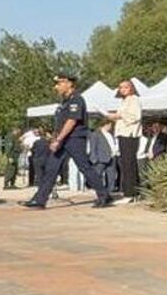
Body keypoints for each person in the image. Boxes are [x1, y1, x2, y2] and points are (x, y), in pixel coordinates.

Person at [25, 70, 112, 209]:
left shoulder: (76, 100)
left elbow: (72, 121)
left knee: (84, 167)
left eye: (59, 84)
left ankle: (104, 195)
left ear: (69, 83)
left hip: (74, 139)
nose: (56, 87)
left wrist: (58, 139)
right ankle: (40, 200)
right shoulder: (65, 102)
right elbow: (61, 123)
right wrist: (56, 138)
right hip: (63, 139)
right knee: (51, 169)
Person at [108, 80, 144, 199]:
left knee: (129, 164)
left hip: (130, 134)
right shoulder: (124, 101)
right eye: (120, 87)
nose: (123, 89)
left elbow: (136, 116)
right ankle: (134, 191)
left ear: (131, 88)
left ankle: (130, 193)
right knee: (127, 163)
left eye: (125, 87)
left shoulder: (134, 99)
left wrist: (119, 115)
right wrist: (113, 117)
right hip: (123, 133)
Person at [89, 119, 119, 200]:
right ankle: (100, 194)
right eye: (110, 125)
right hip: (100, 159)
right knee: (98, 177)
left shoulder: (110, 134)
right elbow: (93, 147)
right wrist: (94, 159)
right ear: (106, 124)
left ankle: (108, 194)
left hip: (112, 157)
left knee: (111, 177)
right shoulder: (95, 134)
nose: (111, 127)